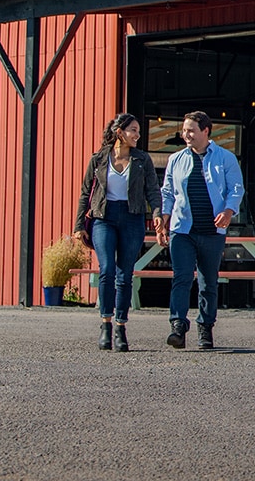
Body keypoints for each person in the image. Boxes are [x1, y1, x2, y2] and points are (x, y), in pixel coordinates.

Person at [155, 110, 244, 350]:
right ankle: (178, 327)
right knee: (181, 278)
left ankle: (206, 328)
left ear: (206, 131)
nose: (186, 135)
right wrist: (163, 219)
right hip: (182, 230)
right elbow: (167, 192)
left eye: (191, 130)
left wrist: (228, 211)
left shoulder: (225, 158)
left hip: (211, 232)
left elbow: (236, 189)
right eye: (184, 131)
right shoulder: (176, 159)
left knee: (208, 282)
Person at [73, 113, 161, 352]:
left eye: (139, 131)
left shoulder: (142, 160)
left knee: (125, 274)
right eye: (134, 130)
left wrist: (157, 214)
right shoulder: (99, 159)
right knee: (107, 270)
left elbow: (153, 190)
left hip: (132, 218)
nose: (138, 135)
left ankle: (121, 327)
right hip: (104, 218)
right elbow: (85, 194)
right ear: (120, 132)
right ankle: (105, 325)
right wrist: (79, 225)